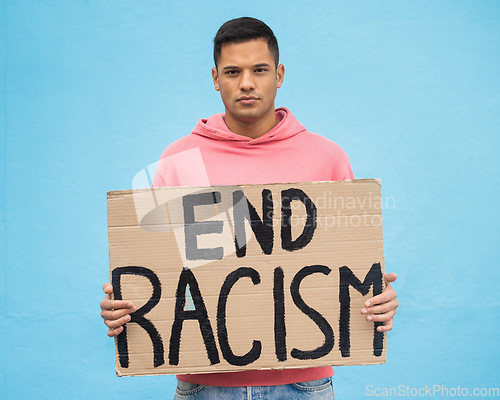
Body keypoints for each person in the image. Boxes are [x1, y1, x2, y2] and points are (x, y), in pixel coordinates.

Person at [100, 17, 398, 399]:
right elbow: (160, 267)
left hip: (304, 384)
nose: (246, 83)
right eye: (232, 71)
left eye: (259, 70)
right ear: (214, 78)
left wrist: (377, 301)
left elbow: (349, 267)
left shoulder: (326, 159)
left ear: (279, 74)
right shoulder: (180, 161)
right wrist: (127, 303)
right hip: (205, 386)